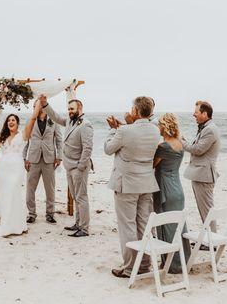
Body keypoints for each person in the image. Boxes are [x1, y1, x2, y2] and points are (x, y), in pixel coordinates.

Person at [105, 96, 160, 278]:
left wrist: (114, 129)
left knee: (127, 225)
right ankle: (144, 264)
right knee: (144, 224)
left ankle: (129, 268)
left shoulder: (124, 131)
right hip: (146, 183)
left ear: (135, 111)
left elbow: (108, 148)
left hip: (127, 184)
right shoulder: (155, 130)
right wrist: (123, 127)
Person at [0, 102, 41, 236]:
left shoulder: (23, 135)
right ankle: (8, 225)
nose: (11, 122)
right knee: (6, 197)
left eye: (13, 120)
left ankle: (18, 225)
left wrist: (39, 105)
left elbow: (33, 119)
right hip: (3, 170)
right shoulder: (3, 138)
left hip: (16, 169)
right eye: (9, 120)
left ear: (17, 123)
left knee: (14, 193)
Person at [39, 94, 93, 237]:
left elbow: (87, 148)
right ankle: (78, 223)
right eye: (68, 109)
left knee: (81, 197)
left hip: (79, 166)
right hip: (69, 166)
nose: (69, 111)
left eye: (72, 108)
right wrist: (45, 104)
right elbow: (55, 117)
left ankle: (84, 228)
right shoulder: (70, 121)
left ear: (80, 108)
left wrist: (81, 166)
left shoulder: (86, 124)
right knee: (76, 197)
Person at [153, 113, 191, 273]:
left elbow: (152, 164)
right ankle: (182, 261)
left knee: (166, 227)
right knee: (178, 227)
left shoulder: (163, 147)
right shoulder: (180, 144)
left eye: (160, 125)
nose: (158, 128)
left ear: (165, 127)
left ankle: (171, 265)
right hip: (177, 188)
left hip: (165, 189)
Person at [182, 101, 221, 232]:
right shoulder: (206, 128)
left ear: (205, 114)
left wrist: (181, 141)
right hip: (201, 175)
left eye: (196, 112)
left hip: (204, 176)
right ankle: (209, 238)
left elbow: (198, 149)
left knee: (207, 210)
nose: (194, 114)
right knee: (205, 210)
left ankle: (212, 240)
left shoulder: (210, 129)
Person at [23, 100, 63, 224]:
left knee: (50, 189)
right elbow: (25, 140)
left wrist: (59, 156)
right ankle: (31, 214)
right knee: (30, 189)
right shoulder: (30, 121)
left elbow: (59, 140)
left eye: (37, 105)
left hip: (49, 159)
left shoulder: (53, 121)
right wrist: (25, 157)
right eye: (34, 106)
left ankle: (50, 214)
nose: (35, 107)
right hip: (33, 159)